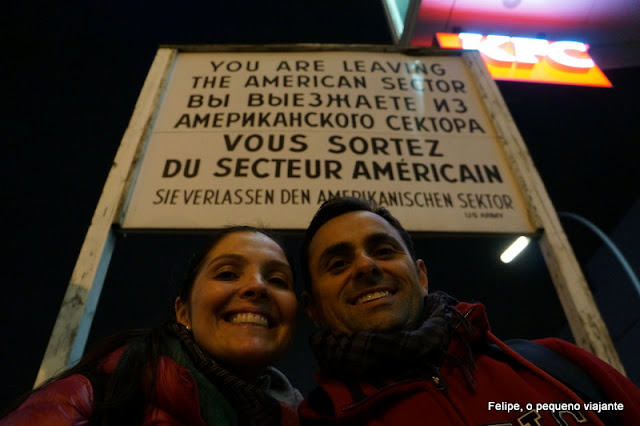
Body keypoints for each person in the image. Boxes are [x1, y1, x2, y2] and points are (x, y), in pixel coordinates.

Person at [297, 196, 640, 425]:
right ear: (312, 307)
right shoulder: (314, 419)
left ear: (421, 275)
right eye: (338, 263)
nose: (366, 266)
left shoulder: (559, 364)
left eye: (384, 250)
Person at [1, 226, 302, 426]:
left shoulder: (310, 416)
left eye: (277, 280)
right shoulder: (97, 396)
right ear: (183, 312)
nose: (257, 287)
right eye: (227, 273)